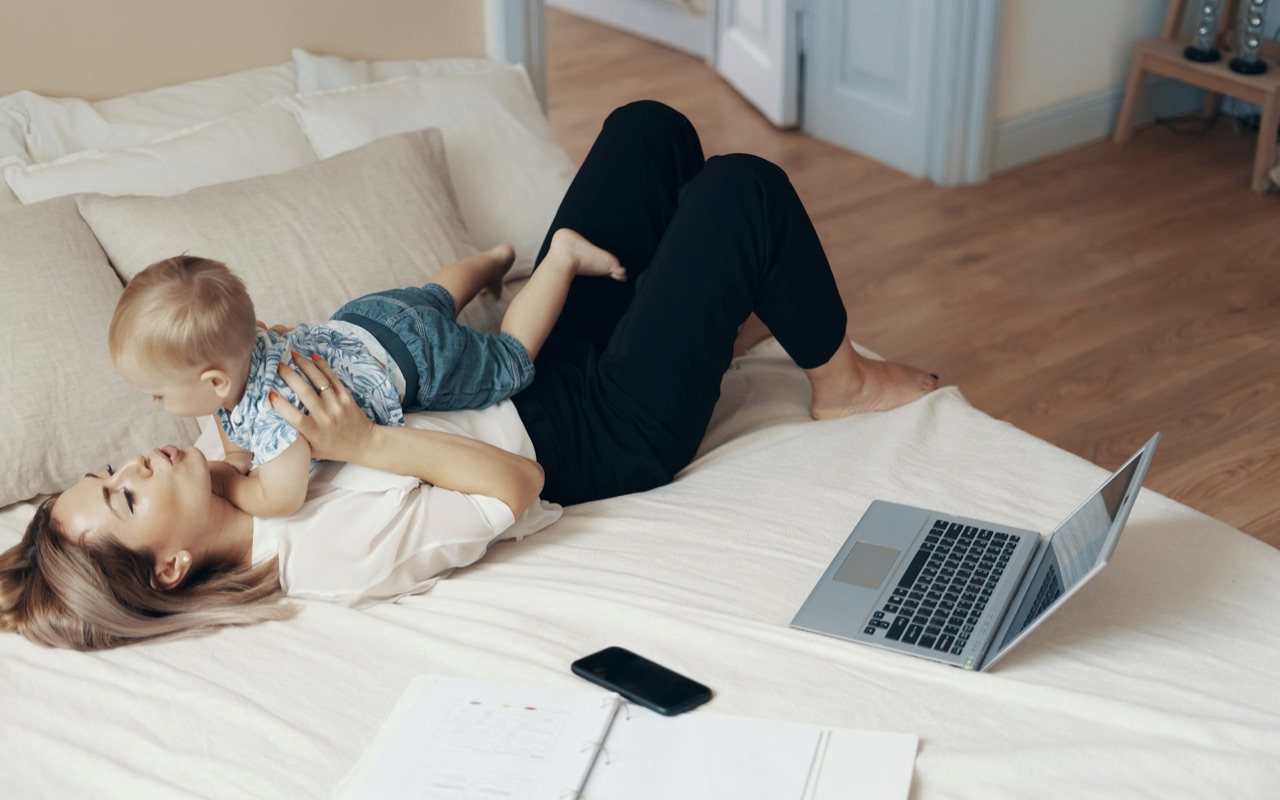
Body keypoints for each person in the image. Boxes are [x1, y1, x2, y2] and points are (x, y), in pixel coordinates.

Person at [0, 100, 938, 650]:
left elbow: (261, 356)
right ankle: (840, 378)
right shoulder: (317, 560)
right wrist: (363, 443)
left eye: (109, 472)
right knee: (741, 191)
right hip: (595, 436)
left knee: (647, 129)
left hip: (517, 372)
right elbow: (517, 484)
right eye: (123, 498)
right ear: (168, 567)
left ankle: (705, 322)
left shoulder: (226, 443)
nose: (135, 466)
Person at [108, 231, 625, 519]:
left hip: (423, 360)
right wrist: (236, 454)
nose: (154, 403)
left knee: (512, 360)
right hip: (366, 317)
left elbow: (280, 497)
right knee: (437, 295)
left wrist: (231, 482)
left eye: (156, 394)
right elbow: (231, 417)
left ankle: (560, 258)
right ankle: (494, 259)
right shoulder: (251, 341)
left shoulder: (278, 421)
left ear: (216, 381)